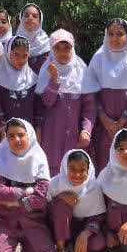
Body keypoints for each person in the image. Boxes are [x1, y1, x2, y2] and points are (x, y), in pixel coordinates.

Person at [0, 118, 57, 252]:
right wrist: (25, 192)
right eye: (11, 136)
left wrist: (13, 201)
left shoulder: (38, 159)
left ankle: (29, 251)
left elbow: (40, 199)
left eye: (21, 135)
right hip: (6, 222)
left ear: (30, 136)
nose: (17, 140)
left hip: (33, 222)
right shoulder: (2, 157)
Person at [35, 30, 98, 175]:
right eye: (57, 48)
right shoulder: (47, 71)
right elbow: (47, 102)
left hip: (74, 137)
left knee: (74, 172)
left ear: (73, 48)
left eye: (67, 48)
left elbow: (89, 108)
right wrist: (54, 80)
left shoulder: (82, 72)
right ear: (52, 50)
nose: (63, 52)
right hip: (51, 138)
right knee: (51, 173)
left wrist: (86, 130)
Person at [87, 19, 127, 171]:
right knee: (104, 162)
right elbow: (91, 92)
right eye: (110, 34)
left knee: (126, 161)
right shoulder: (98, 58)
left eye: (120, 34)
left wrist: (122, 120)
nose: (114, 38)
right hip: (103, 123)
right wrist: (104, 118)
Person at [46, 149, 107, 252]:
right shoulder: (55, 183)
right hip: (58, 230)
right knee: (62, 204)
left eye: (82, 170)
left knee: (98, 243)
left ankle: (76, 251)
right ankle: (62, 251)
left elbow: (98, 216)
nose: (77, 175)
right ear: (65, 167)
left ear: (88, 170)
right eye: (72, 169)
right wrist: (59, 197)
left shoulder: (93, 186)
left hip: (81, 228)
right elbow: (44, 208)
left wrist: (85, 234)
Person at [0, 36, 35, 156]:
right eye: (16, 55)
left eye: (25, 56)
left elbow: (37, 107)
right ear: (8, 53)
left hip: (28, 132)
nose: (21, 60)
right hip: (6, 133)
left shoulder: (32, 78)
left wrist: (38, 129)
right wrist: (3, 128)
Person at [15, 4, 52, 72]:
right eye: (26, 15)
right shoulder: (12, 45)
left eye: (35, 16)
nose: (30, 18)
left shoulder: (50, 46)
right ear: (21, 19)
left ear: (40, 21)